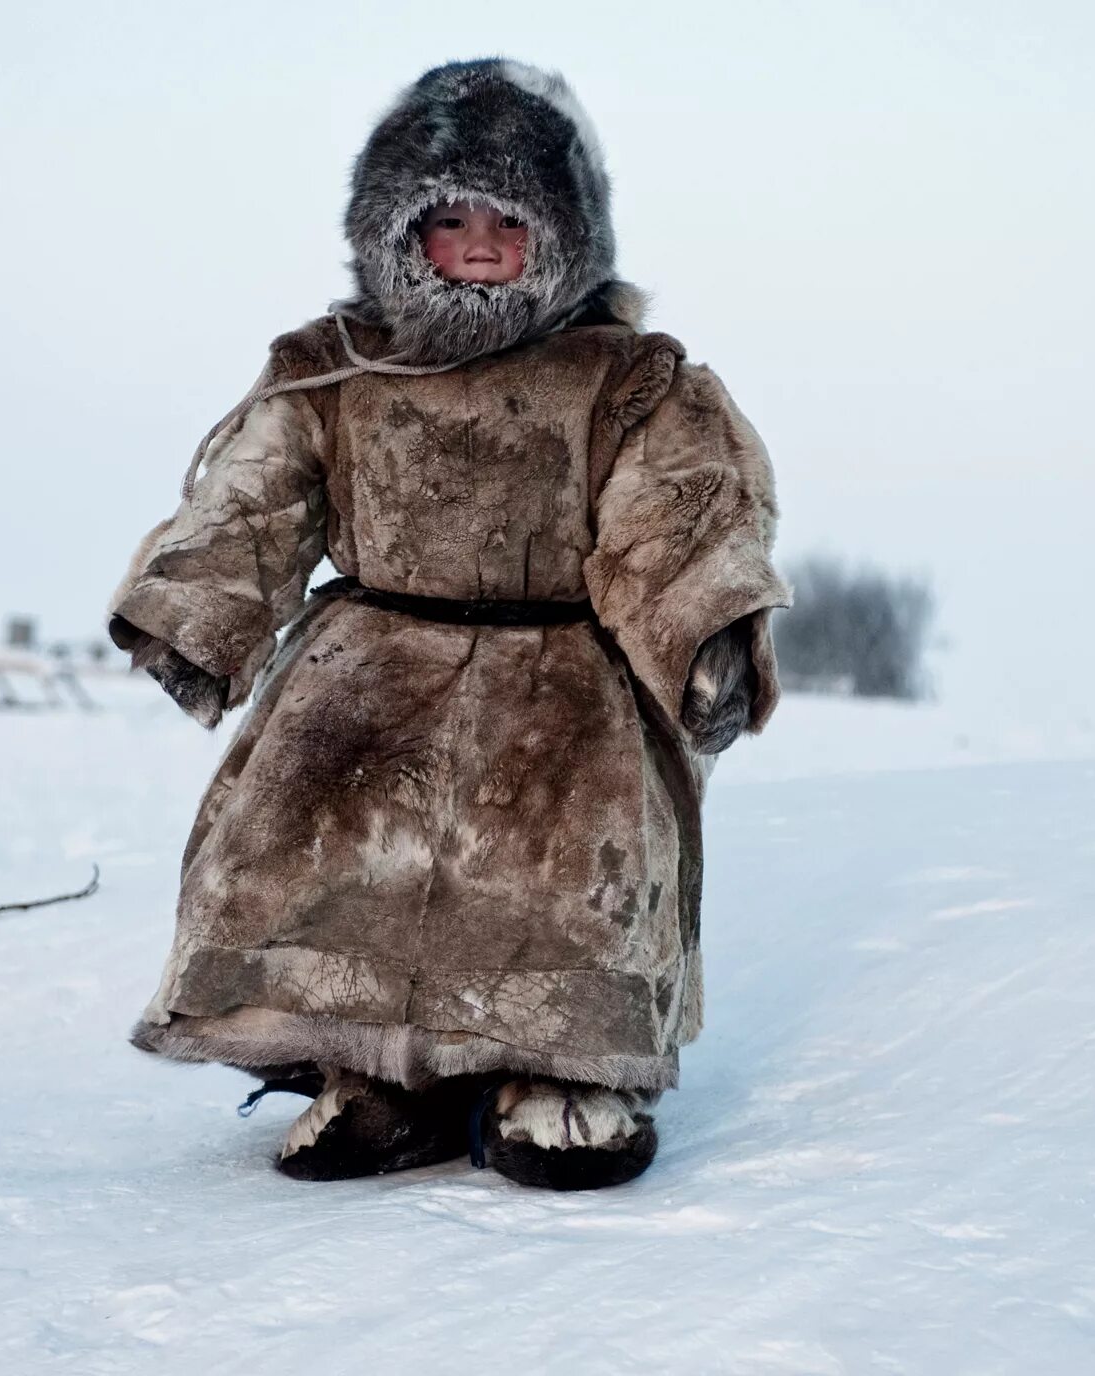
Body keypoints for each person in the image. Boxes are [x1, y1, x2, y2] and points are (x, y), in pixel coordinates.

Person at [108, 58, 787, 1191]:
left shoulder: (624, 379)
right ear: (391, 233)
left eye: (505, 222)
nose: (475, 244)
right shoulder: (337, 369)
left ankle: (562, 1074)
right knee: (317, 859)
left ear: (564, 232)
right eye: (444, 220)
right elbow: (259, 490)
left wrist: (704, 627)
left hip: (565, 680)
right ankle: (377, 1072)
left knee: (559, 881)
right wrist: (200, 605)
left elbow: (678, 508)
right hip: (366, 670)